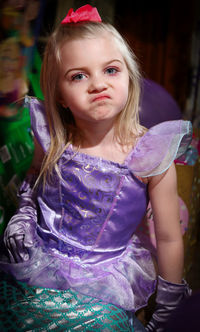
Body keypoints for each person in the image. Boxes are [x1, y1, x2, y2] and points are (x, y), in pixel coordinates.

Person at [0, 4, 192, 331]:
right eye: (79, 75)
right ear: (60, 94)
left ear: (129, 75)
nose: (97, 84)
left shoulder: (151, 153)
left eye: (111, 70)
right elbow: (34, 179)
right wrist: (25, 212)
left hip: (106, 286)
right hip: (39, 267)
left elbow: (169, 236)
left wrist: (168, 300)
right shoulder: (53, 138)